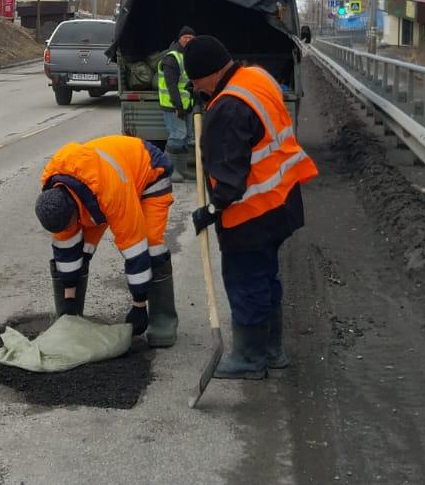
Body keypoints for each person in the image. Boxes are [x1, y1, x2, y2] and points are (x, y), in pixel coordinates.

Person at [184, 35, 318, 378]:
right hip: (281, 201)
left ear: (211, 74)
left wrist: (211, 212)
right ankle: (273, 352)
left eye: (196, 81)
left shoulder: (227, 109)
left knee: (247, 283)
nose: (195, 88)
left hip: (251, 214)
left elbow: (229, 179)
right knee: (266, 278)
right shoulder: (255, 77)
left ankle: (249, 359)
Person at [35, 135, 179, 347]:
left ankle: (162, 324)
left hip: (149, 172)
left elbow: (134, 246)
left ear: (75, 212)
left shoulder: (112, 195)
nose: (68, 229)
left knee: (150, 246)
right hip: (97, 184)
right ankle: (70, 319)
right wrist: (68, 302)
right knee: (81, 249)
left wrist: (139, 305)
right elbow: (67, 250)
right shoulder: (55, 194)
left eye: (70, 224)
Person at [157, 26, 197, 180]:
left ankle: (182, 169)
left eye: (191, 38)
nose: (188, 40)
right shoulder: (172, 58)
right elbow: (171, 85)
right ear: (179, 39)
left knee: (186, 137)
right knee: (177, 136)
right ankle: (169, 171)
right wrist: (178, 106)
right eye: (185, 37)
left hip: (187, 104)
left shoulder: (190, 56)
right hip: (173, 105)